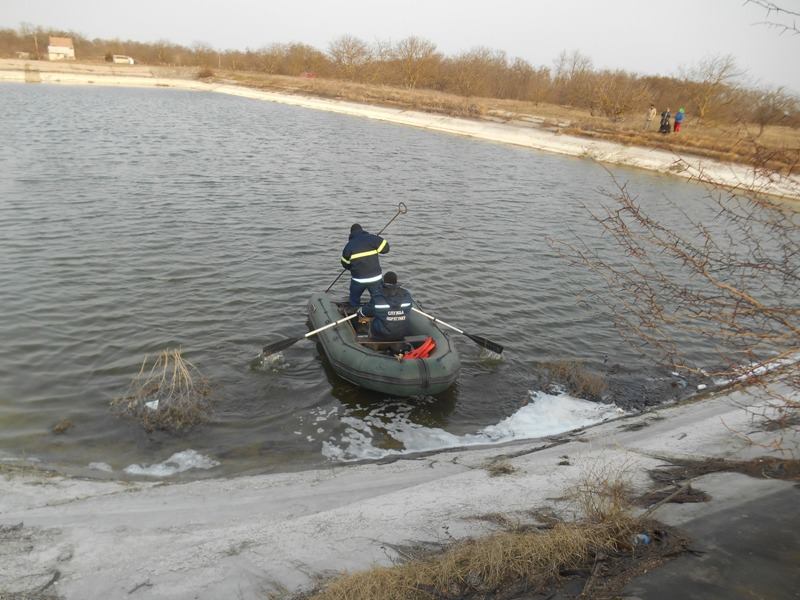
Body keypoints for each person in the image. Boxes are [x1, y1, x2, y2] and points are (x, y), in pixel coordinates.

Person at [340, 223, 389, 307]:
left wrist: (352, 267)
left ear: (351, 233)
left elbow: (345, 264)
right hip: (375, 278)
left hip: (358, 279)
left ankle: (355, 313)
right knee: (378, 299)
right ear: (362, 230)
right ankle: (377, 312)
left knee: (354, 299)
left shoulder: (349, 246)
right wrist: (376, 245)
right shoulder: (372, 238)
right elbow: (386, 249)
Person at [358, 271, 413, 341]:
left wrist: (359, 311)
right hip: (403, 334)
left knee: (371, 319)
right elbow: (408, 308)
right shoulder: (406, 294)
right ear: (396, 281)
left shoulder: (378, 296)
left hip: (381, 334)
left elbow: (365, 312)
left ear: (384, 281)